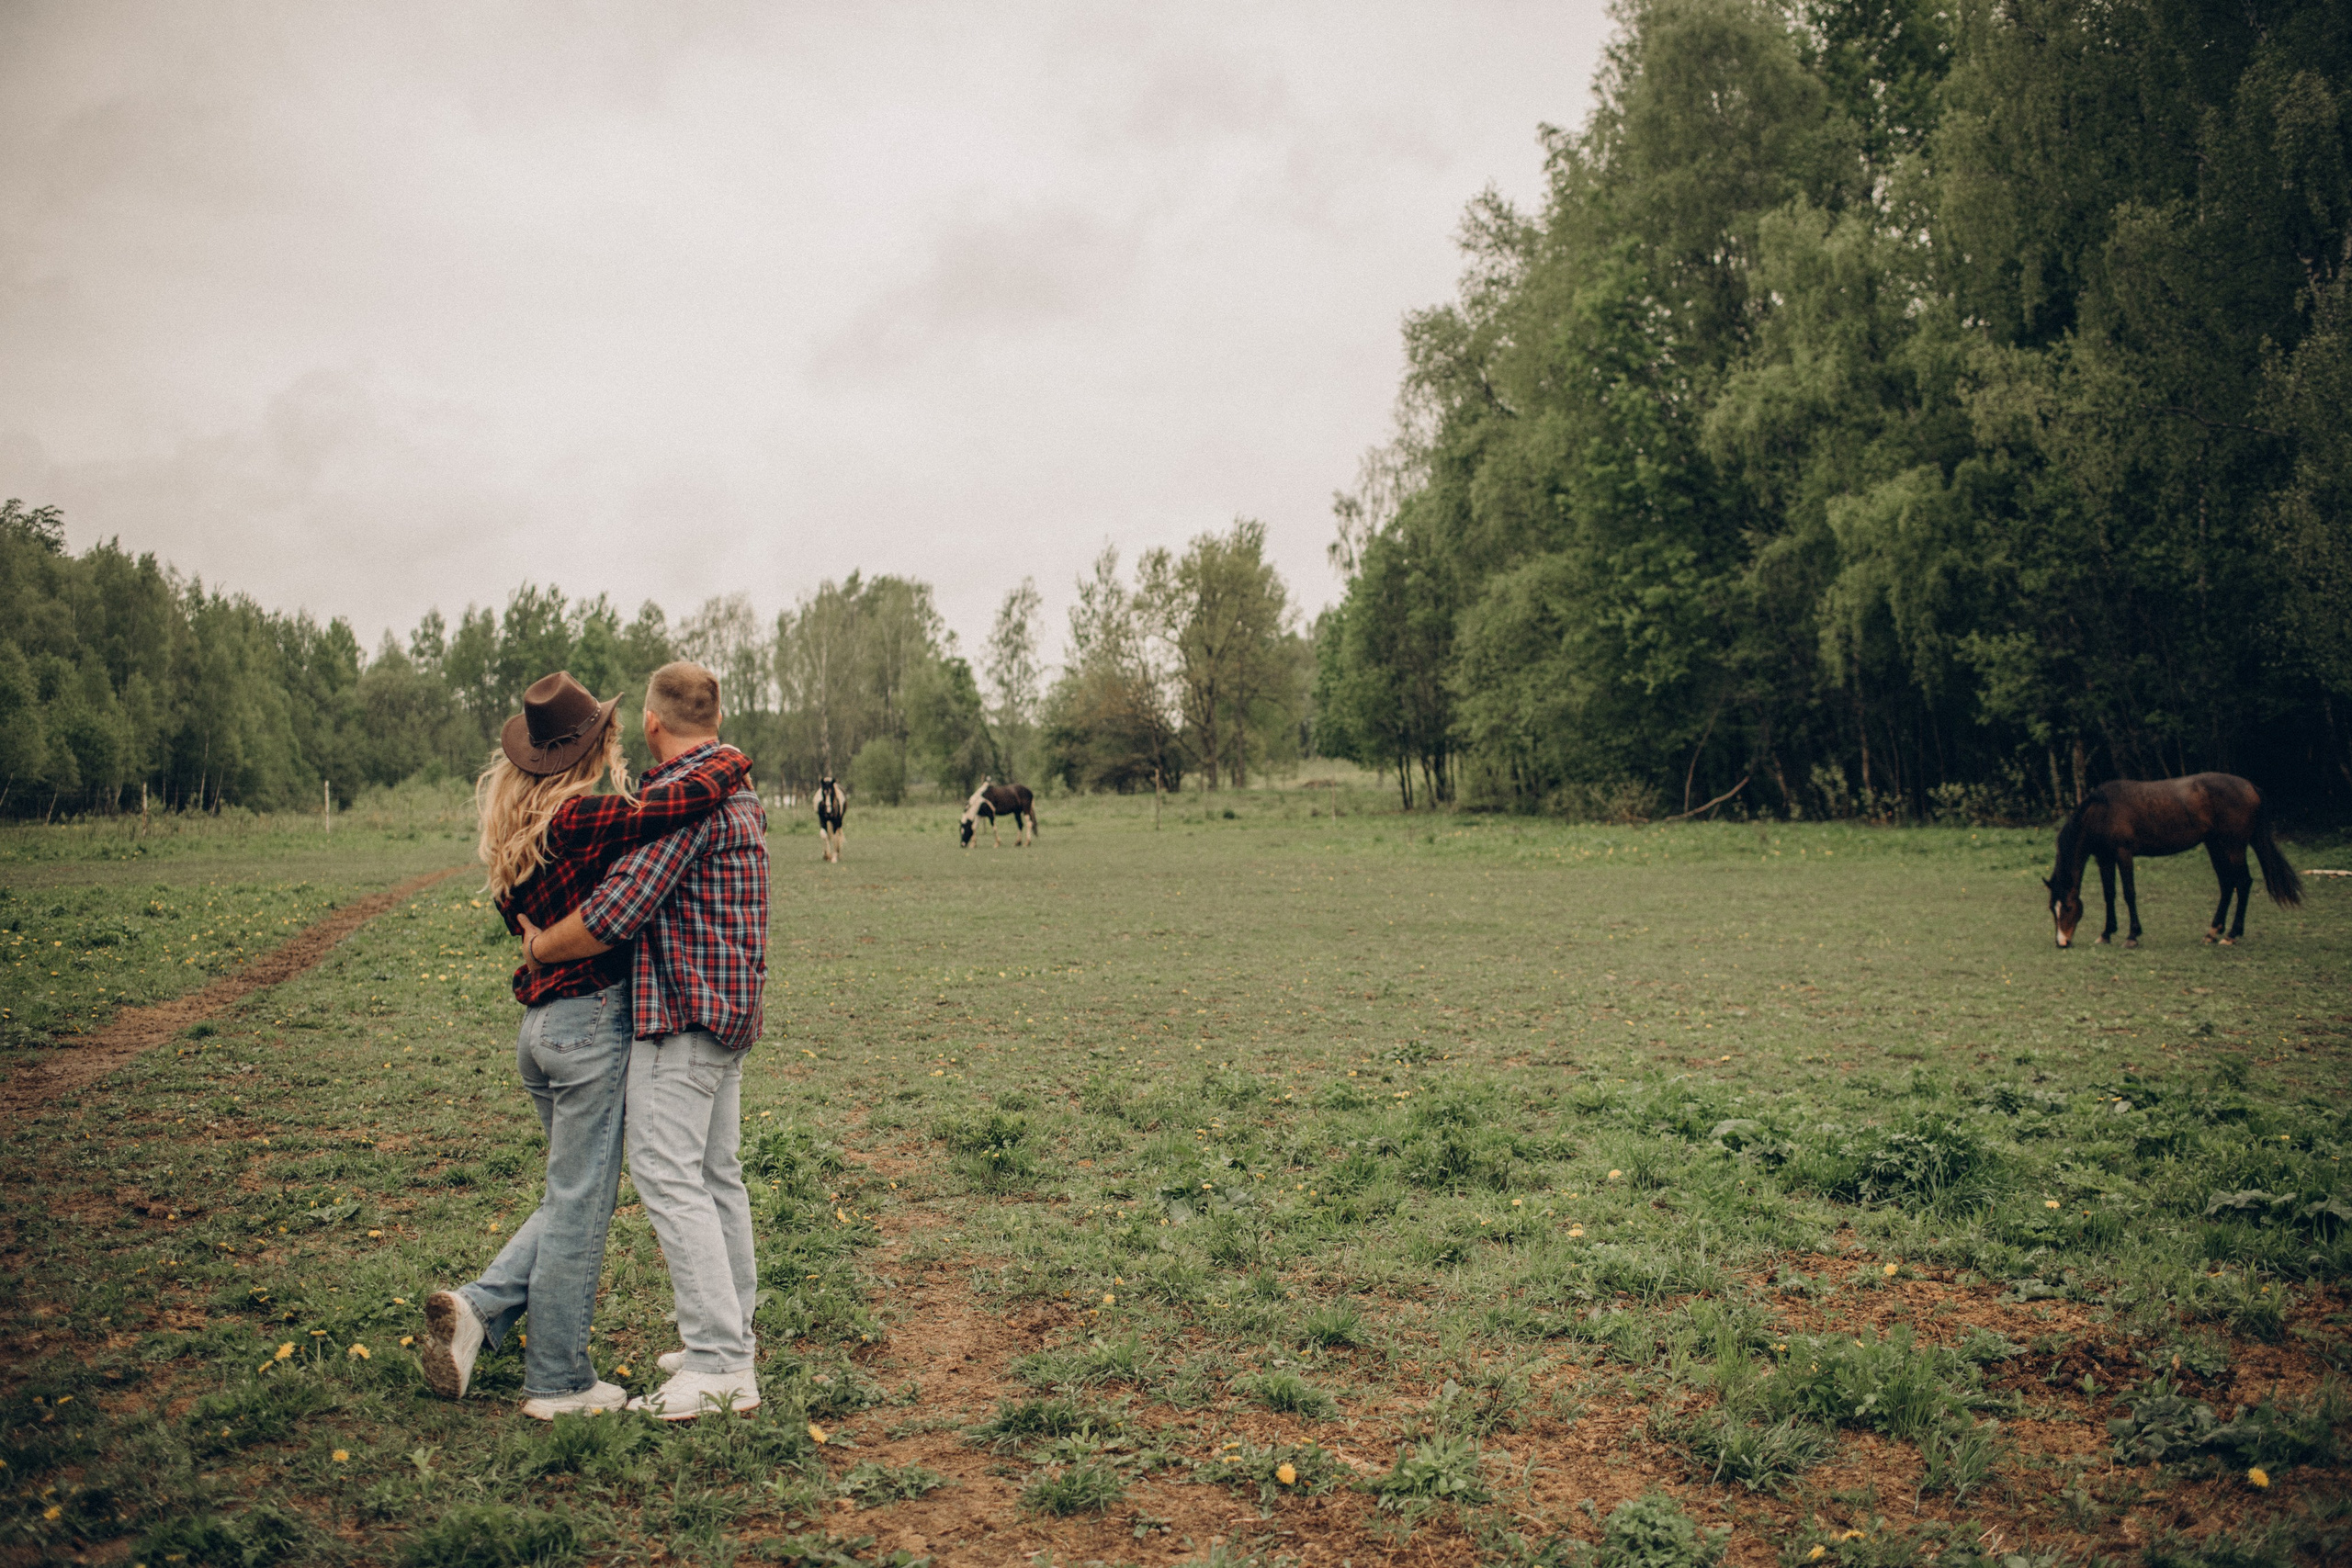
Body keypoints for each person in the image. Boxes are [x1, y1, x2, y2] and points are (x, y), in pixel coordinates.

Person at [419, 671, 750, 1419]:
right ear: (589, 748)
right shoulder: (581, 820)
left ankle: (477, 1309)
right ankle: (559, 1380)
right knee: (579, 1204)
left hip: (539, 1032)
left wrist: (535, 953)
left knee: (578, 1191)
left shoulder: (515, 831)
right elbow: (675, 802)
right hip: (591, 1023)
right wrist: (730, 755)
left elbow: (532, 924)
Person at [520, 660, 770, 1420]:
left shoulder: (681, 797)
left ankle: (720, 1360)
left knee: (666, 1172)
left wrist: (535, 949)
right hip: (728, 1008)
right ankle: (732, 1331)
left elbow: (616, 912)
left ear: (655, 723)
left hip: (681, 1012)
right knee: (714, 1173)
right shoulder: (735, 785)